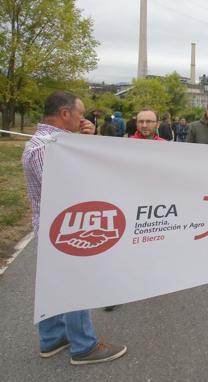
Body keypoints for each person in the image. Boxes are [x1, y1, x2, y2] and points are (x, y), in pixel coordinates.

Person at [22, 91, 127, 365]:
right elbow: (67, 190)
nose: (83, 119)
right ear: (65, 114)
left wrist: (85, 142)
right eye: (80, 114)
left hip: (53, 227)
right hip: (65, 230)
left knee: (54, 283)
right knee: (76, 283)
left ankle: (52, 337)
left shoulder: (55, 143)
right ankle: (83, 345)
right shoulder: (47, 148)